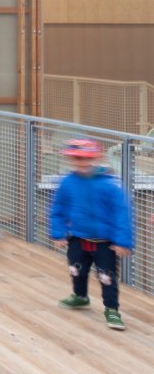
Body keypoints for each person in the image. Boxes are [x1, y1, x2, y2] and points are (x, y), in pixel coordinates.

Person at [50, 138, 134, 331]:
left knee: (107, 277)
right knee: (76, 270)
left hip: (105, 243)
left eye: (85, 158)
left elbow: (122, 213)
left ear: (97, 157)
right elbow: (58, 208)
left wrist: (123, 241)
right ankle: (80, 296)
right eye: (76, 158)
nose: (81, 162)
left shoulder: (111, 185)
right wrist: (58, 233)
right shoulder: (68, 182)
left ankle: (112, 309)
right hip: (78, 238)